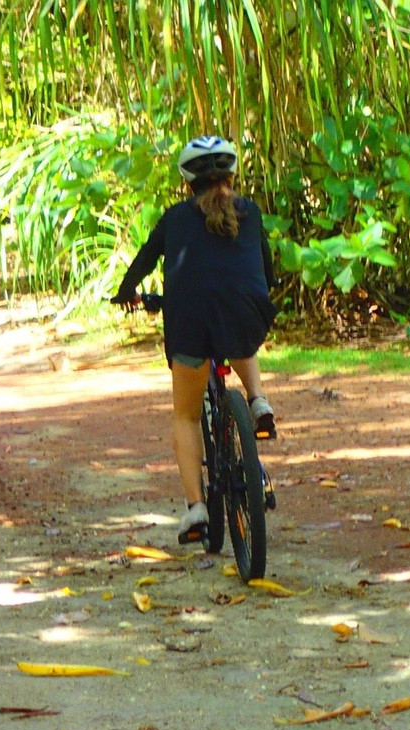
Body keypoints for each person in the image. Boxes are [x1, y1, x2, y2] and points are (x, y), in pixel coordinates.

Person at [110, 135, 277, 545]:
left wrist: (127, 293)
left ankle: (197, 509)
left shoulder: (176, 218)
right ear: (232, 175)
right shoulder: (251, 213)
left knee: (186, 414)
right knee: (240, 333)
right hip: (246, 315)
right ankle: (257, 400)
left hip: (189, 321)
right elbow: (267, 270)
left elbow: (142, 262)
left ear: (187, 181)